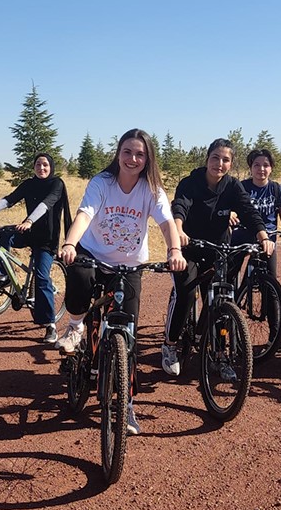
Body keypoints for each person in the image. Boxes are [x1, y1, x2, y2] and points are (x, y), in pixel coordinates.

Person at [57, 129, 186, 435]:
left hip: (130, 264)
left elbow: (167, 222)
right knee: (79, 274)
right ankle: (76, 327)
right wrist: (71, 243)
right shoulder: (103, 182)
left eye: (140, 154)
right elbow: (85, 214)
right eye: (127, 152)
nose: (133, 159)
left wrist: (175, 249)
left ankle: (125, 405)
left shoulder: (151, 189)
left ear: (147, 159)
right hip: (94, 253)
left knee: (127, 337)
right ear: (118, 153)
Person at [161, 138, 272, 378]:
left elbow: (248, 211)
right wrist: (178, 231)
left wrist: (263, 235)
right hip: (188, 249)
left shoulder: (232, 186)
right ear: (207, 158)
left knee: (221, 300)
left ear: (231, 164)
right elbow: (180, 206)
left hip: (218, 250)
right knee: (187, 293)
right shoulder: (190, 183)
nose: (219, 164)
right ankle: (170, 345)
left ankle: (220, 356)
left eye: (225, 160)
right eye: (215, 158)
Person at [0, 153, 73, 343]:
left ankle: (50, 325)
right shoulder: (29, 184)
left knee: (41, 278)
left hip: (46, 240)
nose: (41, 168)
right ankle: (3, 275)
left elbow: (46, 204)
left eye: (45, 165)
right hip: (28, 232)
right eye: (38, 165)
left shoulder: (56, 184)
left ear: (51, 167)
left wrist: (30, 220)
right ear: (33, 167)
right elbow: (9, 200)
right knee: (2, 234)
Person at [230, 147, 281, 277]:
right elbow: (231, 209)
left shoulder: (277, 189)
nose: (261, 169)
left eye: (266, 165)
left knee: (271, 282)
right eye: (256, 165)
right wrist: (231, 214)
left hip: (267, 240)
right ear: (250, 167)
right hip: (241, 238)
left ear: (271, 168)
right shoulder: (241, 188)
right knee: (229, 276)